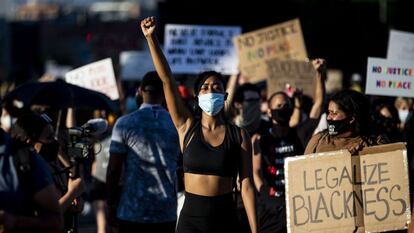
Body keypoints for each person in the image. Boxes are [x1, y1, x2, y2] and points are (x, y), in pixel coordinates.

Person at [141, 16, 257, 233]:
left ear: (225, 95)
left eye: (216, 87)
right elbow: (166, 79)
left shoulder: (239, 135)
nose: (211, 91)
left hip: (226, 221)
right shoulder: (186, 127)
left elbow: (247, 185)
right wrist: (151, 39)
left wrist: (255, 229)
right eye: (205, 88)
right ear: (196, 96)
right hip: (190, 223)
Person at [251, 58, 325, 233]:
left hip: (299, 207)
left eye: (286, 105)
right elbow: (255, 172)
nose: (283, 108)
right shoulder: (261, 139)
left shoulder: (299, 133)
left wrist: (319, 74)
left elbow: (319, 105)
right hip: (271, 210)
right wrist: (268, 198)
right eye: (278, 106)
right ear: (269, 112)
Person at [106, 71, 180, 233]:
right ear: (164, 92)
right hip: (166, 212)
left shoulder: (124, 123)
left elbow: (113, 169)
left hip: (132, 212)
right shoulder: (177, 125)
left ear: (140, 91)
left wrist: (111, 203)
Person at [1, 114, 63, 233]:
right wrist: (72, 193)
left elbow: (56, 220)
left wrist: (15, 221)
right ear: (30, 142)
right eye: (49, 137)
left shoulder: (28, 163)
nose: (55, 142)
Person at [304, 90, 388, 155]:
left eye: (334, 113)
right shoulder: (318, 141)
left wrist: (364, 153)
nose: (329, 117)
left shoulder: (375, 142)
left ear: (351, 118)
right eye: (329, 112)